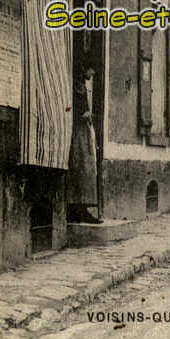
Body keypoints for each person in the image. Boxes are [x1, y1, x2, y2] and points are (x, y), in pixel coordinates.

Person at [68, 64, 101, 224]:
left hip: (84, 131)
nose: (92, 72)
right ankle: (78, 208)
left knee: (86, 166)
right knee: (82, 166)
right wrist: (84, 115)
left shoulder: (81, 87)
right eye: (91, 69)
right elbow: (71, 109)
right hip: (79, 132)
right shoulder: (77, 87)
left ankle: (82, 207)